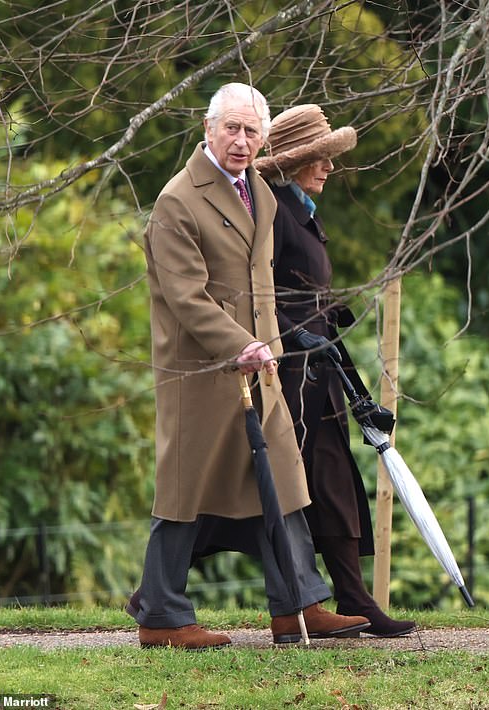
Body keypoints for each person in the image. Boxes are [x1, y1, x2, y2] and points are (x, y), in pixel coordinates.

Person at [127, 84, 371, 649]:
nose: (241, 141)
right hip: (201, 375)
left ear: (263, 137)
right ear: (207, 130)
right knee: (186, 494)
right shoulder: (178, 200)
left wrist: (269, 347)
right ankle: (161, 616)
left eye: (251, 131)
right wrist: (240, 344)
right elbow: (186, 297)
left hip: (260, 367)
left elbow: (262, 281)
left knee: (284, 481)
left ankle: (299, 608)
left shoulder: (257, 188)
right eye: (231, 128)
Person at [252, 104, 416, 637]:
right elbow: (256, 293)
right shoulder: (272, 212)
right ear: (294, 163)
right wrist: (292, 332)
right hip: (289, 377)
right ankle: (157, 595)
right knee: (251, 494)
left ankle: (353, 597)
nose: (328, 168)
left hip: (320, 373)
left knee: (334, 481)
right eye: (319, 158)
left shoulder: (301, 210)